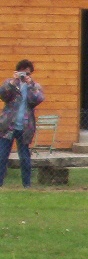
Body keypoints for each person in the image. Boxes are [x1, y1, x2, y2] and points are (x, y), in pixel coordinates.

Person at [0, 60, 45, 188]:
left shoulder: (34, 86)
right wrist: (12, 82)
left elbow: (38, 99)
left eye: (28, 73)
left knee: (25, 157)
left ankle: (27, 185)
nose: (24, 75)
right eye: (22, 73)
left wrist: (30, 85)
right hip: (8, 126)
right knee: (2, 156)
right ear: (17, 72)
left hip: (25, 128)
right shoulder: (10, 83)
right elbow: (2, 95)